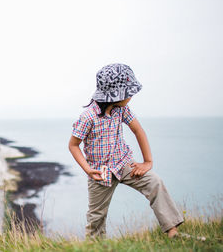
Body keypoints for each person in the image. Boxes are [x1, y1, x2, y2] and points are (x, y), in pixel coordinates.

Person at [68, 63, 184, 239]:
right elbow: (73, 145)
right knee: (96, 216)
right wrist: (87, 169)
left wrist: (148, 161)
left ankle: (173, 232)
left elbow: (138, 130)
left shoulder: (121, 109)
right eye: (128, 93)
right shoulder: (88, 117)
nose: (131, 96)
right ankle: (95, 246)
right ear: (116, 94)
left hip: (124, 163)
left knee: (155, 183)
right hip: (100, 172)